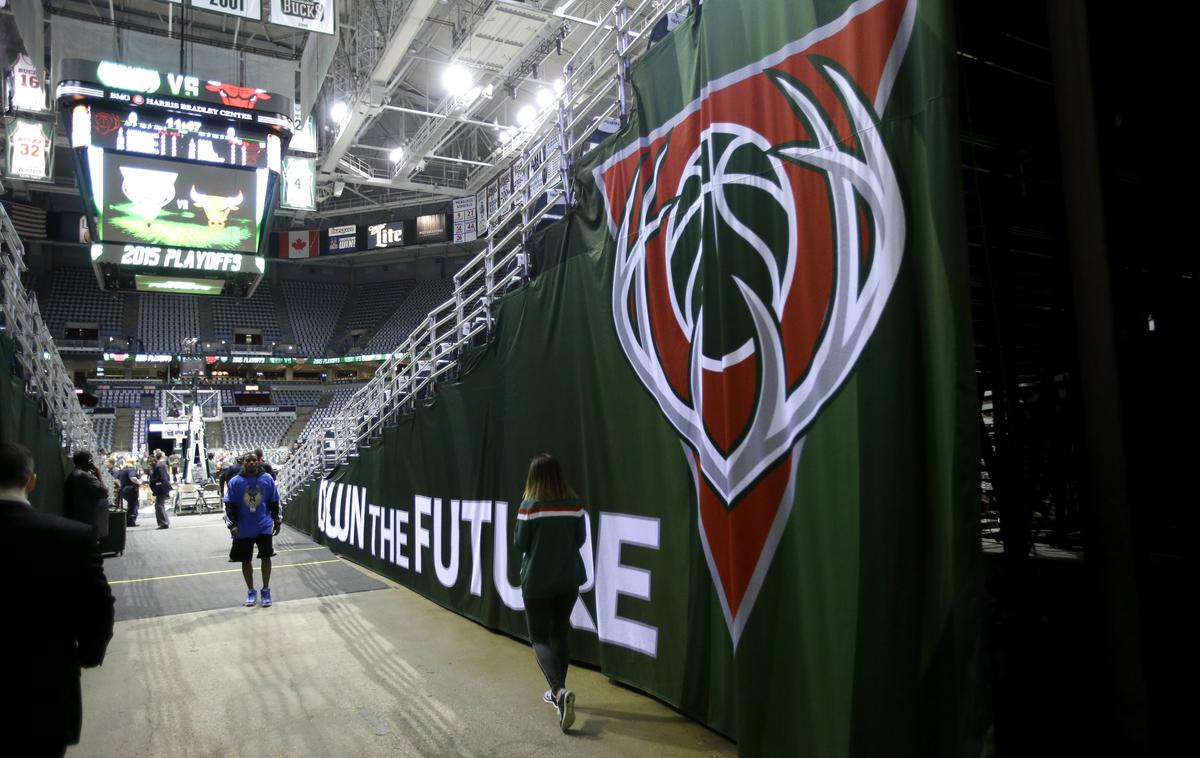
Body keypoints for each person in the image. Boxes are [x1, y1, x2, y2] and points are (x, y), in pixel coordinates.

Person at [0, 441, 115, 756]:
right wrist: (88, 655)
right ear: (32, 481)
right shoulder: (71, 537)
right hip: (44, 688)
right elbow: (99, 607)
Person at [514, 453, 586, 732]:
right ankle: (560, 695)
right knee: (559, 634)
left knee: (539, 638)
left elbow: (521, 543)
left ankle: (558, 692)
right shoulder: (575, 504)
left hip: (538, 581)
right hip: (569, 579)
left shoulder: (529, 506)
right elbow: (580, 540)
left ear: (533, 476)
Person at [225, 453, 281, 608]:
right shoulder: (235, 482)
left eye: (253, 460)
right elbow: (229, 506)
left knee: (266, 558)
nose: (250, 463)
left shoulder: (267, 479)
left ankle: (265, 590)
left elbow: (274, 501)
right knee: (246, 560)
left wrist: (277, 520)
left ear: (258, 461)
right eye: (247, 460)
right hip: (243, 528)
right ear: (243, 462)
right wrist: (232, 525)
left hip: (263, 525)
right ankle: (250, 591)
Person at [63, 451, 110, 541]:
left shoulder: (73, 475)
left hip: (75, 520)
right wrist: (98, 473)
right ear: (89, 462)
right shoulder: (86, 477)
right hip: (87, 521)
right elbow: (105, 492)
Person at [149, 449, 172, 529]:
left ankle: (163, 523)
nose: (150, 463)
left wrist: (152, 480)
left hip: (161, 488)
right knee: (160, 505)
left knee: (158, 505)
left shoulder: (159, 466)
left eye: (150, 462)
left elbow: (162, 478)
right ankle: (165, 522)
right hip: (163, 487)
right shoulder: (160, 465)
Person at [117, 458, 144, 526]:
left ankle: (128, 521)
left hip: (124, 490)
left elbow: (116, 480)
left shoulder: (121, 471)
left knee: (130, 506)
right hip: (131, 490)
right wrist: (139, 483)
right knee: (134, 505)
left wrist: (121, 486)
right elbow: (133, 478)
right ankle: (131, 522)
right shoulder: (131, 470)